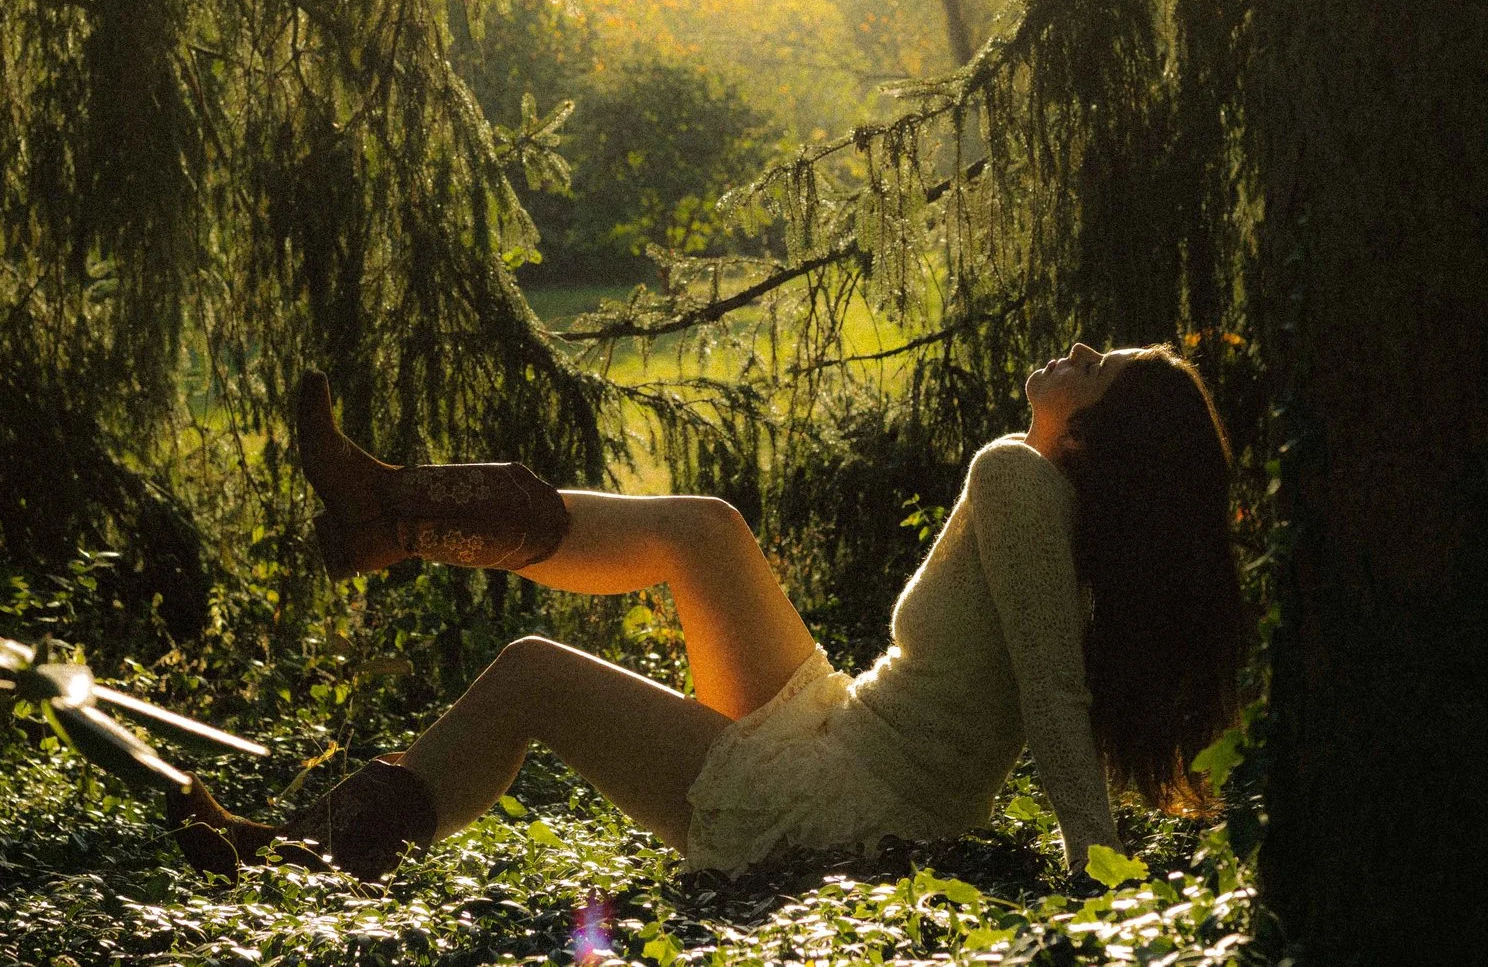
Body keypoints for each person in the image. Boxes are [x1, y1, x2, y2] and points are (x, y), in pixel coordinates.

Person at [172, 343, 1249, 883]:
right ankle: (391, 511)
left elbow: (1055, 692)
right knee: (706, 529)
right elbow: (1053, 684)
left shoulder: (1019, 475)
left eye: (1097, 364)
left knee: (534, 673)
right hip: (843, 733)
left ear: (1097, 432)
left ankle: (294, 860)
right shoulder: (1046, 501)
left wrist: (1095, 874)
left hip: (841, 796)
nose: (1074, 349)